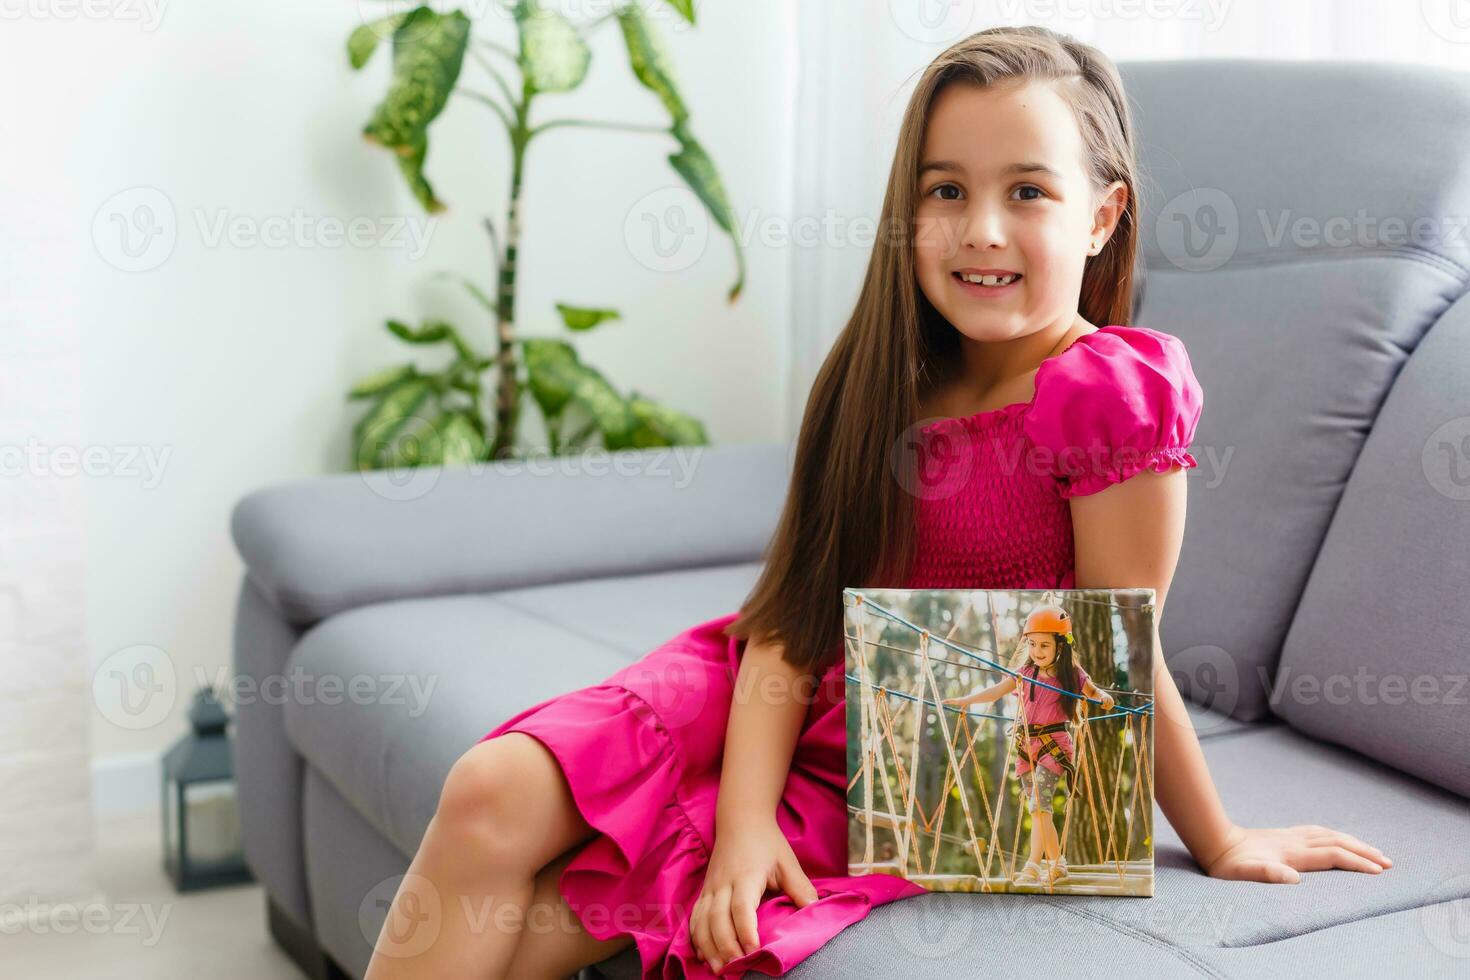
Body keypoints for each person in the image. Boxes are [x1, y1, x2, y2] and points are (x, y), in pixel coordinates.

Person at [364, 24, 1392, 980]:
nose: (980, 229)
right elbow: (793, 616)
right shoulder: (878, 377)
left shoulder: (1112, 391)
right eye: (946, 190)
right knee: (488, 790)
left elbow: (1112, 660)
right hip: (777, 675)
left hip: (920, 736)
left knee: (560, 905)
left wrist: (1217, 835)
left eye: (1028, 190)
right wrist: (740, 819)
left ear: (1103, 215)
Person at [943, 604, 1115, 887]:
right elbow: (995, 692)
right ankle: (1036, 864)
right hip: (1027, 748)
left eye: (1044, 645)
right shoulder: (1024, 672)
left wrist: (1104, 696)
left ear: (1061, 645)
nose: (1037, 650)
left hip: (1054, 745)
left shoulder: (1072, 674)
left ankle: (1053, 863)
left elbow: (1093, 690)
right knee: (1037, 810)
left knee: (1039, 805)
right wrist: (964, 701)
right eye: (1033, 644)